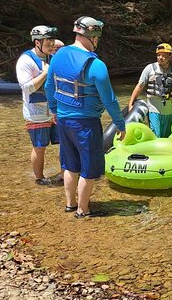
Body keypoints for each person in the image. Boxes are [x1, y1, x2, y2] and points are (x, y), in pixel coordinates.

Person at [44, 16, 126, 218]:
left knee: (70, 165)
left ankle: (70, 204)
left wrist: (54, 110)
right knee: (88, 169)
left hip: (63, 121)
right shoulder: (96, 65)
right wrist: (120, 124)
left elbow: (49, 86)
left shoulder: (58, 55)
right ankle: (83, 210)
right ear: (94, 36)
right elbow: (110, 100)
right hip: (86, 123)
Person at [16, 25, 60, 185]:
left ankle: (65, 173)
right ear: (37, 43)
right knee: (40, 147)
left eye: (52, 40)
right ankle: (39, 178)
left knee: (65, 143)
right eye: (47, 41)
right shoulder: (25, 60)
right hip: (36, 112)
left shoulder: (53, 56)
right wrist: (44, 73)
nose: (51, 44)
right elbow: (27, 87)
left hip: (56, 109)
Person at [128, 43, 172, 137]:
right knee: (156, 136)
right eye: (158, 55)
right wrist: (131, 103)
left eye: (163, 55)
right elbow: (139, 86)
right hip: (153, 110)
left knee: (167, 138)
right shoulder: (149, 69)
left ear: (170, 56)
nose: (160, 57)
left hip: (169, 113)